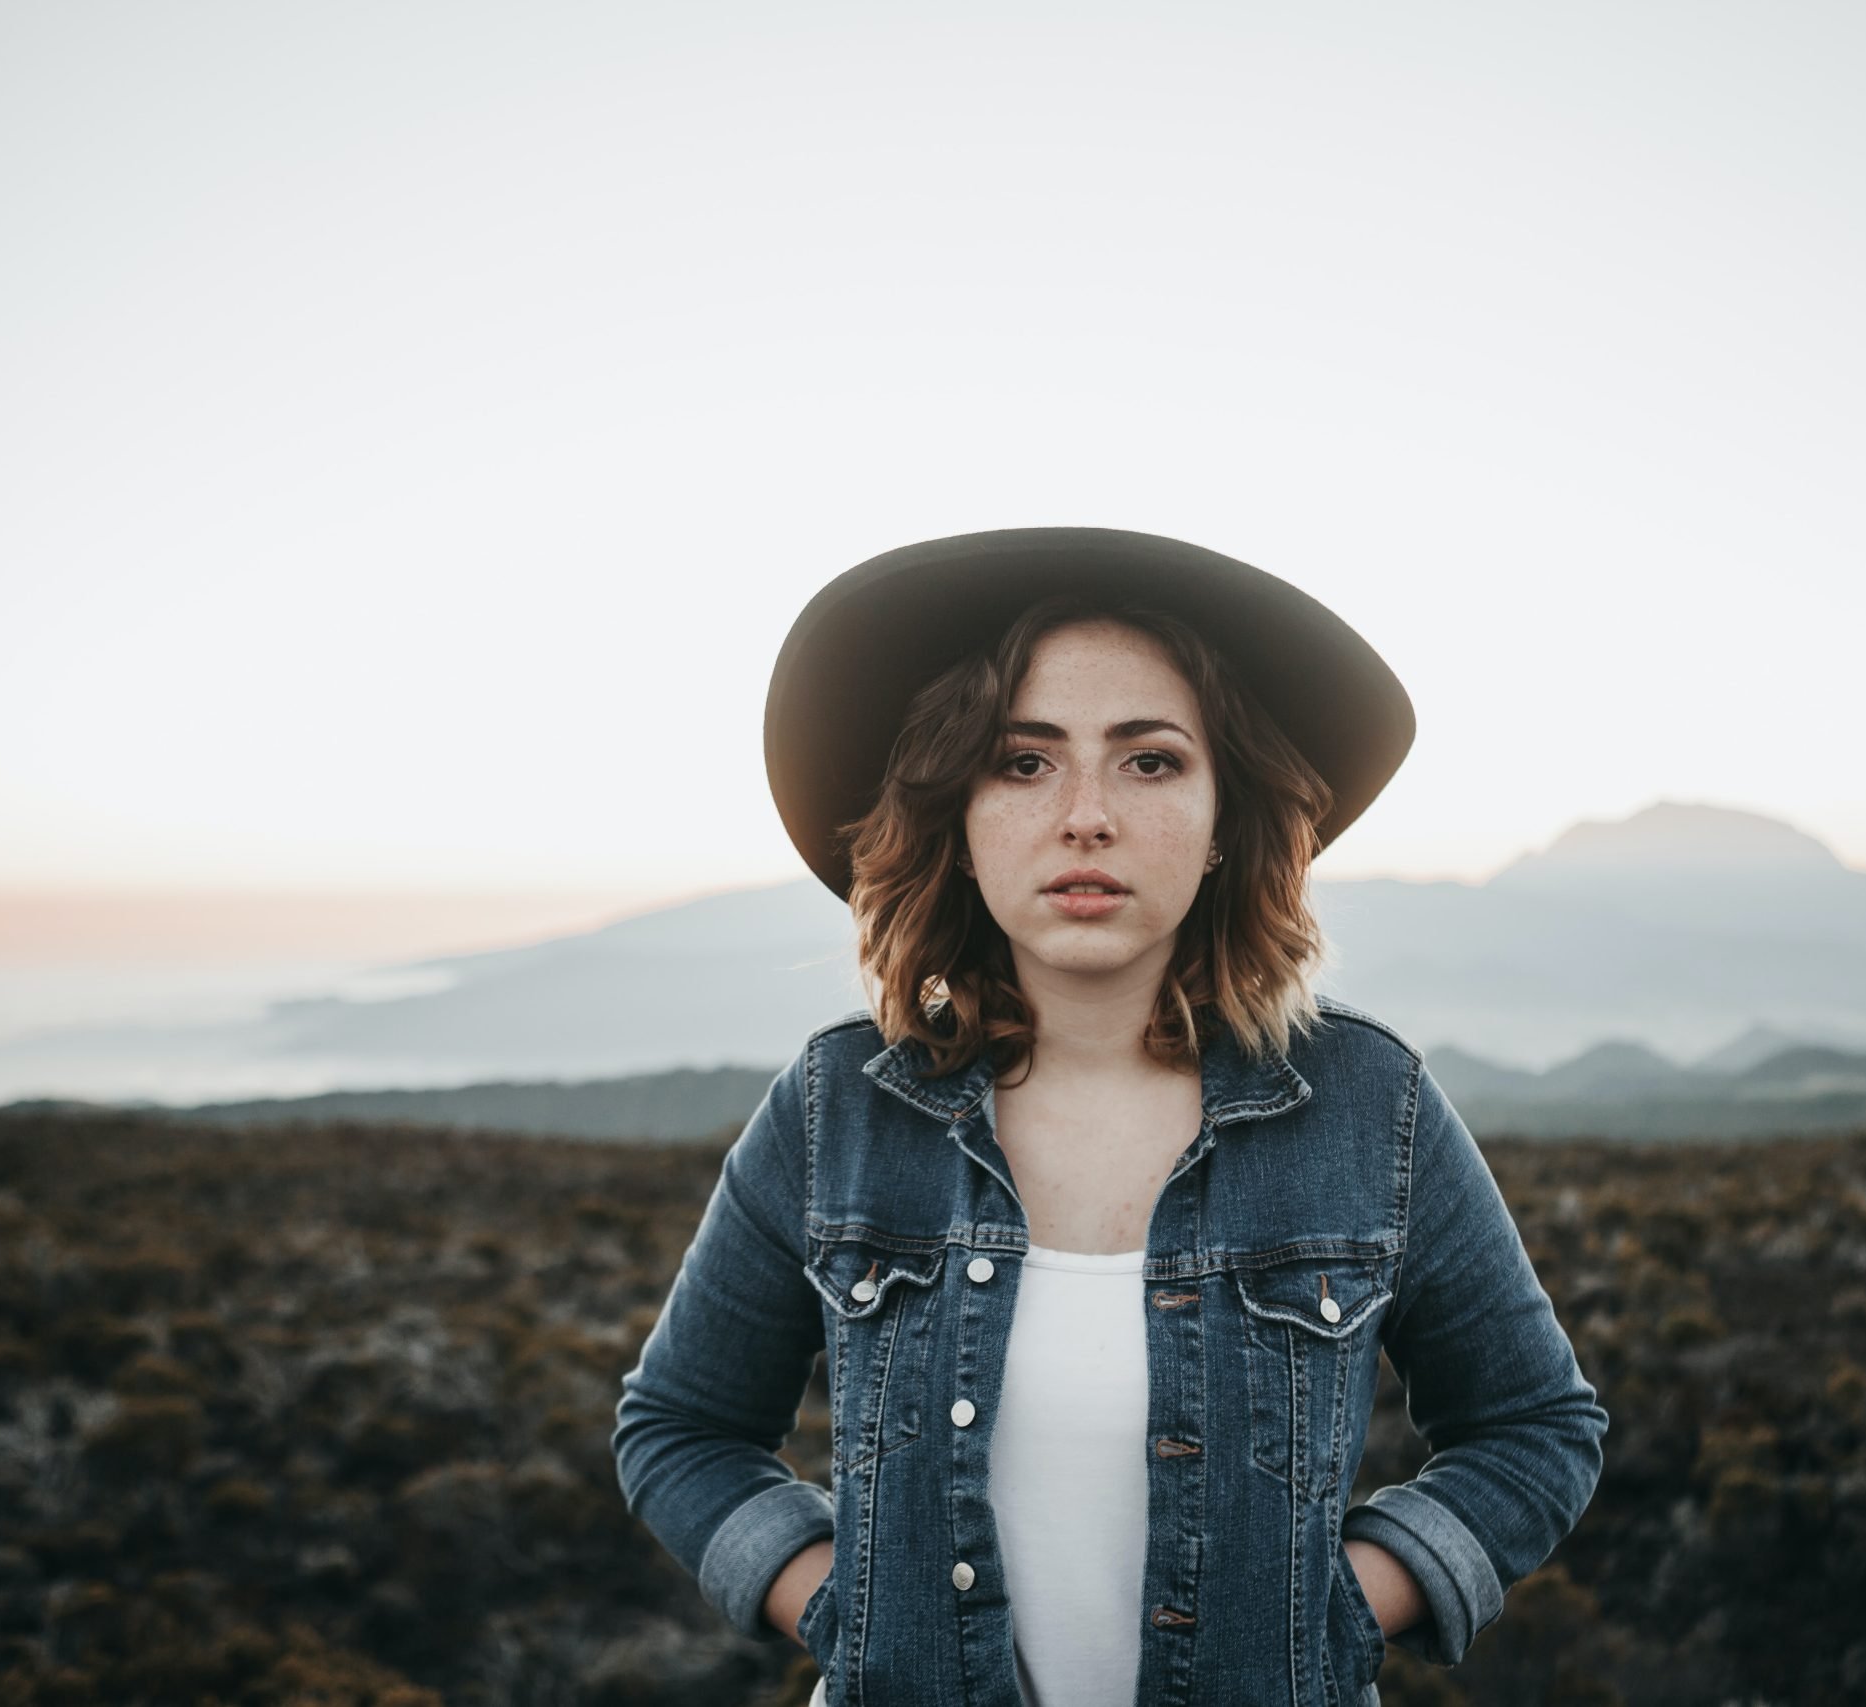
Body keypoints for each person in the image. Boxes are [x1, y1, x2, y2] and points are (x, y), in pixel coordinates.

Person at [613, 527, 1608, 1707]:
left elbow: (1536, 1427)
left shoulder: (1366, 1107)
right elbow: (678, 1428)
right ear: (958, 820)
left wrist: (1341, 1611)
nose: (1085, 816)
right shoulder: (840, 1109)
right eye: (1022, 763)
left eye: (1148, 763)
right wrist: (846, 1609)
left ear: (1226, 810)